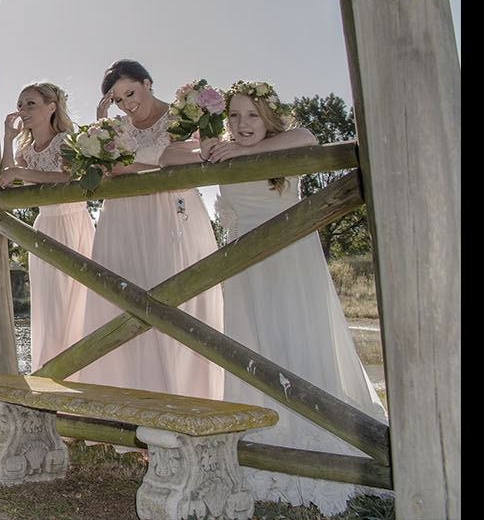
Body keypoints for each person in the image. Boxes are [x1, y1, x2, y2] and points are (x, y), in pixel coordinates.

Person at [162, 81, 389, 514]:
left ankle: (320, 431)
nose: (242, 124)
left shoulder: (287, 143)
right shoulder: (220, 144)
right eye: (233, 116)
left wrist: (242, 153)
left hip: (291, 260)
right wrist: (206, 149)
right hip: (245, 268)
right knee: (254, 344)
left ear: (268, 117)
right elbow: (168, 155)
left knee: (296, 338)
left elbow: (309, 137)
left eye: (251, 115)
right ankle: (260, 429)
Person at [78, 59, 224, 401]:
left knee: (173, 297)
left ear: (147, 82)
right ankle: (126, 400)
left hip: (171, 215)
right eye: (118, 100)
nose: (127, 105)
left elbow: (204, 152)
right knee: (122, 299)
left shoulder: (182, 116)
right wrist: (103, 128)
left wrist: (133, 165)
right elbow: (108, 169)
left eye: (130, 93)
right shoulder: (116, 129)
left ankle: (185, 395)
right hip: (123, 218)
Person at [0, 81, 95, 371]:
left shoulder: (65, 140)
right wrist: (9, 139)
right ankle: (51, 370)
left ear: (51, 108)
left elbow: (67, 178)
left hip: (72, 223)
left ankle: (81, 372)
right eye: (20, 105)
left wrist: (19, 171)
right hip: (44, 225)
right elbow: (7, 178)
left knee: (75, 300)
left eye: (30, 104)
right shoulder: (27, 149)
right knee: (48, 303)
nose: (23, 110)